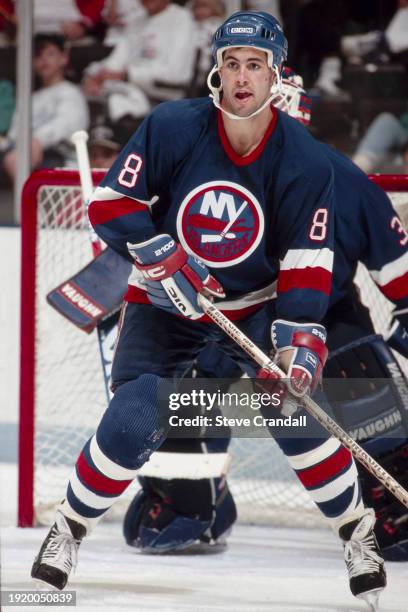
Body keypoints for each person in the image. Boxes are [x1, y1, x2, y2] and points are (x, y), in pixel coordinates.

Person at [31, 12, 388, 609]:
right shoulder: (173, 125)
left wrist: (298, 348)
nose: (242, 76)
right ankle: (67, 529)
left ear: (275, 77)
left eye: (255, 64)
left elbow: (304, 267)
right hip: (163, 301)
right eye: (231, 63)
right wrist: (157, 250)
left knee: (296, 412)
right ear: (215, 72)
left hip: (253, 307)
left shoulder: (305, 161)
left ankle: (357, 531)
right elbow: (111, 205)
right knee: (133, 419)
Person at [122, 73, 408, 563]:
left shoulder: (345, 184)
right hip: (220, 323)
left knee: (355, 364)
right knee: (170, 390)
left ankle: (385, 489)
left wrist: (391, 365)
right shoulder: (200, 166)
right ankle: (192, 497)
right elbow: (140, 234)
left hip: (315, 327)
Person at [82, 0, 195, 142]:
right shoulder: (136, 19)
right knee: (85, 94)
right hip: (127, 87)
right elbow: (117, 60)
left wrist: (127, 75)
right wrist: (94, 75)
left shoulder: (182, 19)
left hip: (162, 93)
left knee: (117, 102)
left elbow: (178, 73)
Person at [0, 33, 89, 183]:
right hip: (25, 155)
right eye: (38, 55)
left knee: (15, 159)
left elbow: (66, 125)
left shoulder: (70, 92)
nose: (43, 60)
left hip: (62, 159)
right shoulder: (29, 98)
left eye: (50, 54)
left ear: (63, 58)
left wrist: (37, 140)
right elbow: (15, 134)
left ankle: (26, 205)